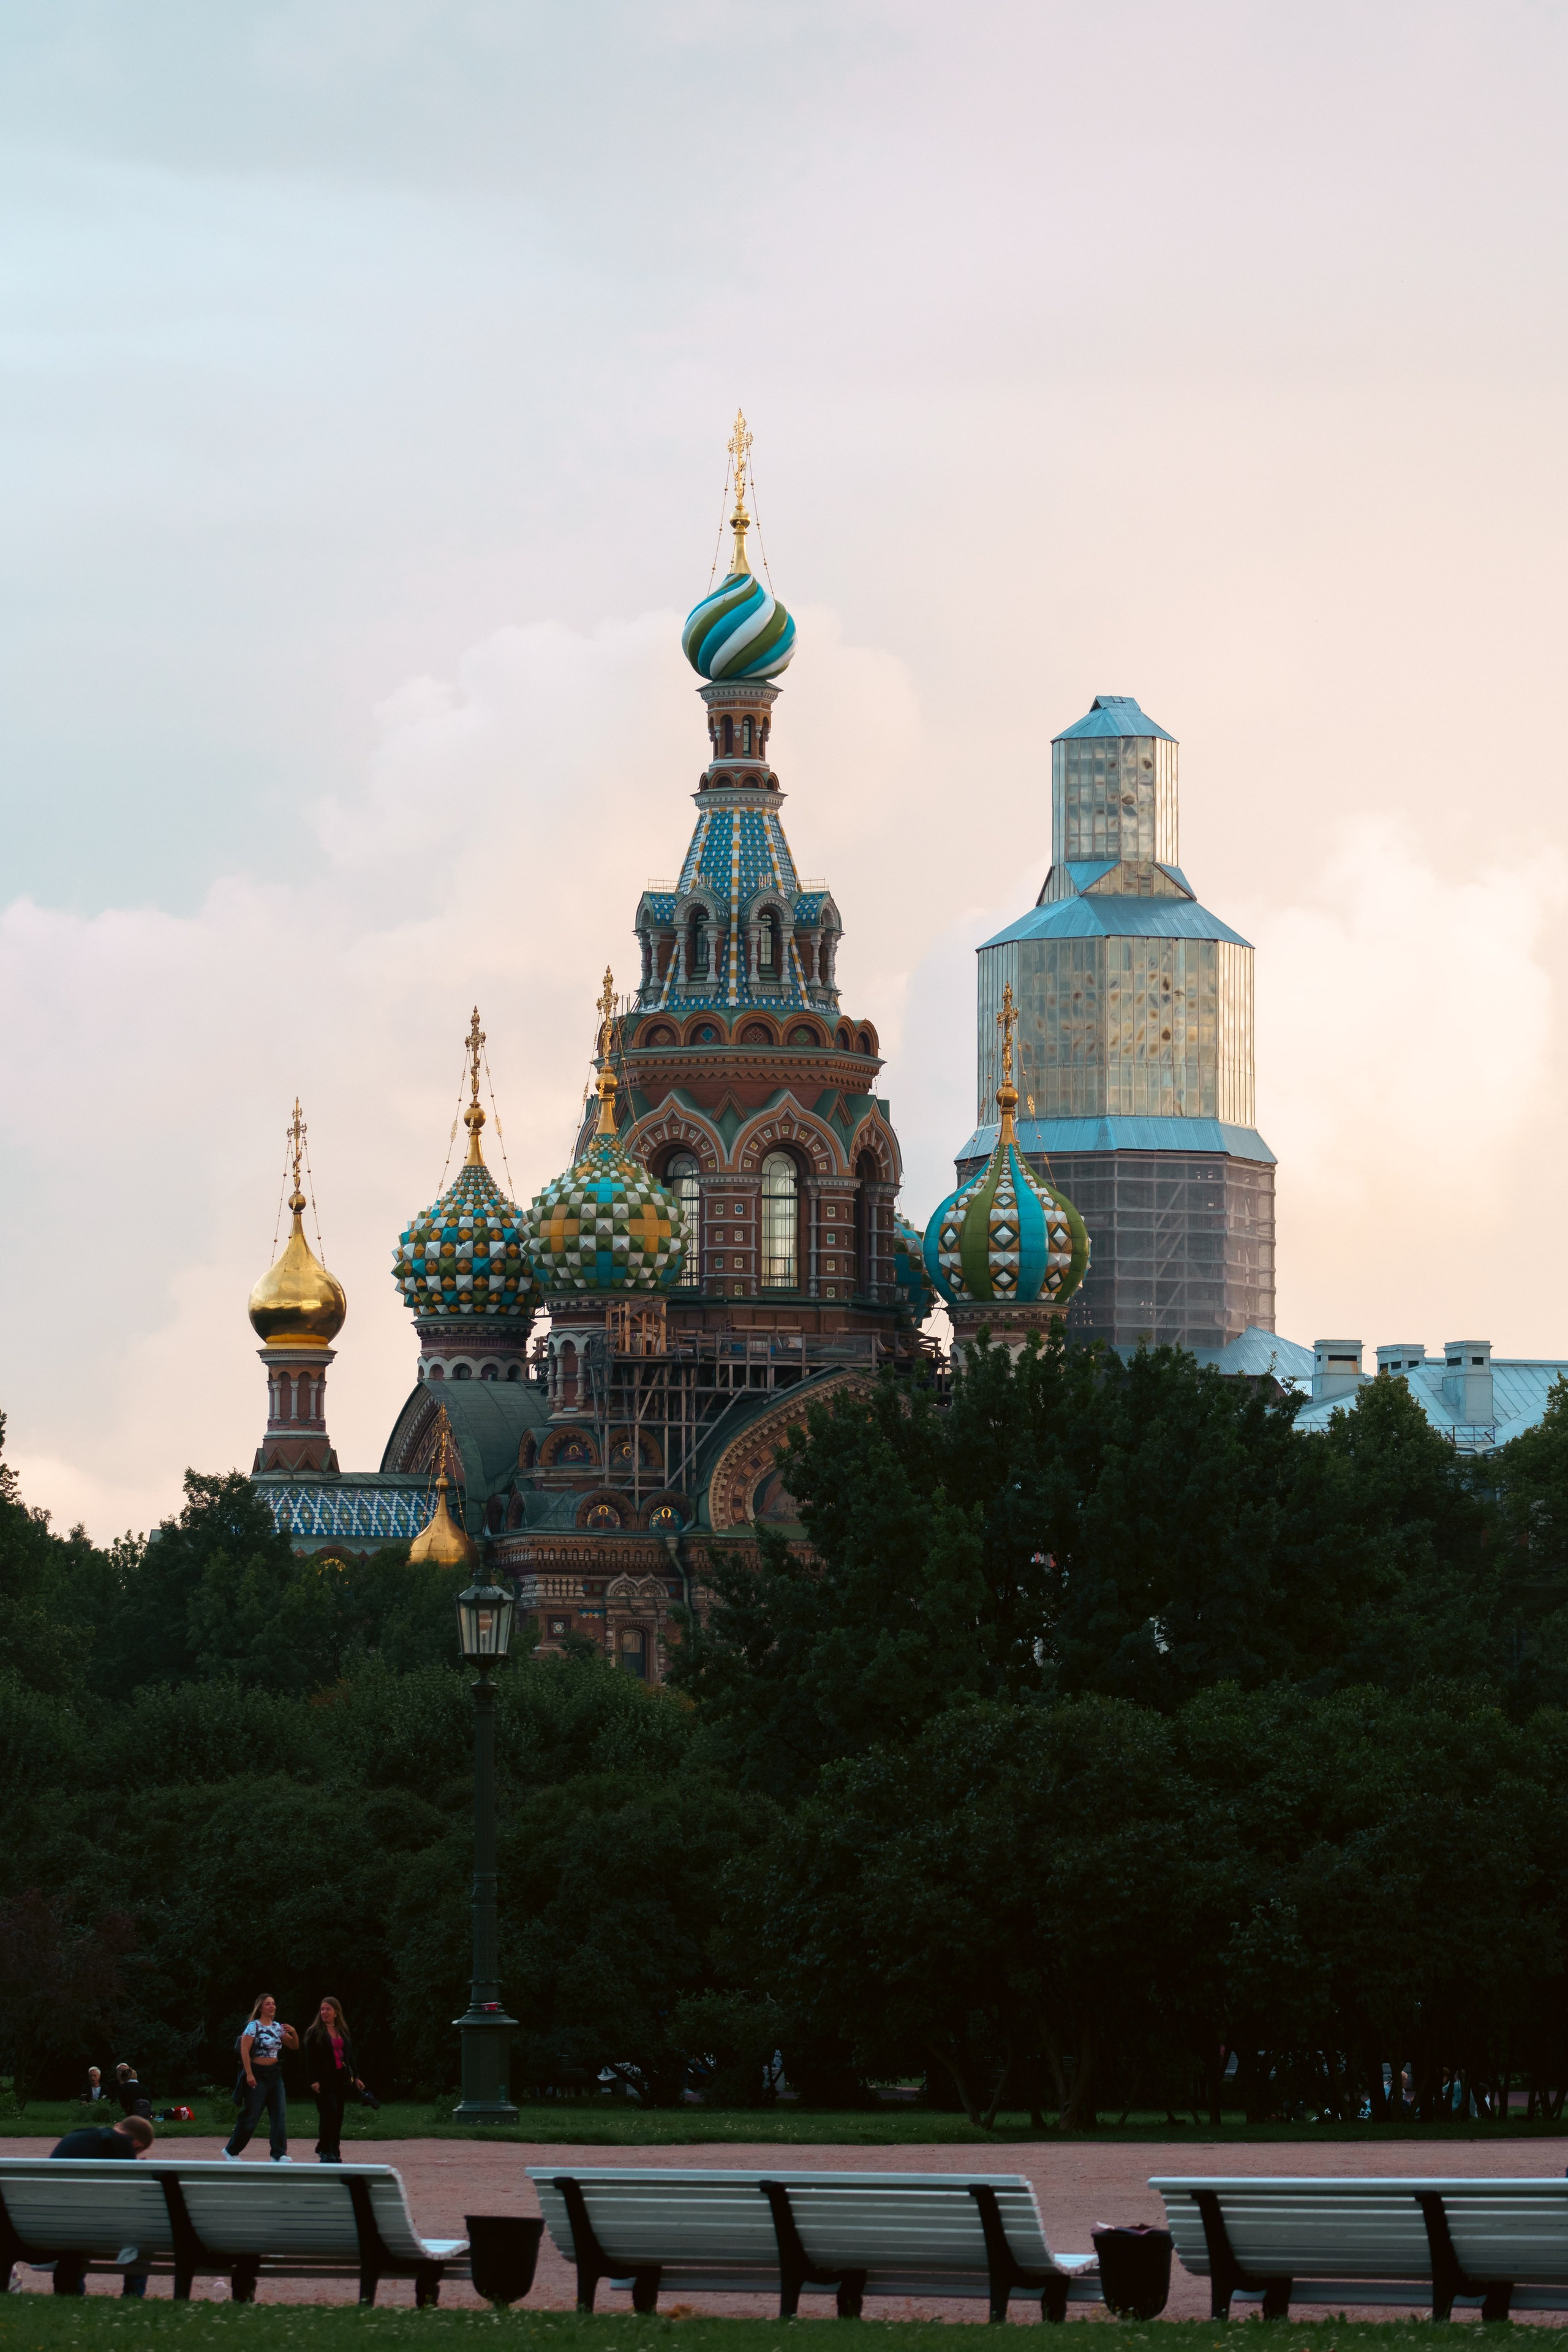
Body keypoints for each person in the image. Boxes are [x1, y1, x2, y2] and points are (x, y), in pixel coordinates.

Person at [48, 2114, 155, 2297]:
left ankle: (68, 2292)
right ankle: (133, 2295)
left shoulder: (78, 2135)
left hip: (53, 2223)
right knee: (142, 2230)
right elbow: (128, 2198)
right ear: (137, 2144)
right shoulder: (122, 2144)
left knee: (79, 2226)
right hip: (87, 2225)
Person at [223, 1992, 298, 2164]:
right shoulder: (253, 2026)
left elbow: (294, 2046)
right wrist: (249, 2074)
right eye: (268, 2004)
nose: (272, 2007)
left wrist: (293, 2032)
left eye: (273, 2003)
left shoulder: (278, 2027)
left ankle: (278, 2154)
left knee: (279, 2115)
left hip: (275, 2074)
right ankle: (231, 2151)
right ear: (261, 2008)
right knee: (252, 2115)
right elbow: (244, 2050)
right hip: (257, 2074)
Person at [303, 1995, 363, 2165]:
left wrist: (356, 2077)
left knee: (338, 2116)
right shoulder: (314, 2032)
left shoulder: (343, 2030)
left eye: (328, 2009)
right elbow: (310, 2059)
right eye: (322, 2009)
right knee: (330, 2114)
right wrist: (314, 2080)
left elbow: (350, 2056)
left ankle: (334, 2150)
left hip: (340, 2079)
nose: (324, 2012)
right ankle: (324, 2149)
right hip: (323, 2080)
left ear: (336, 2012)